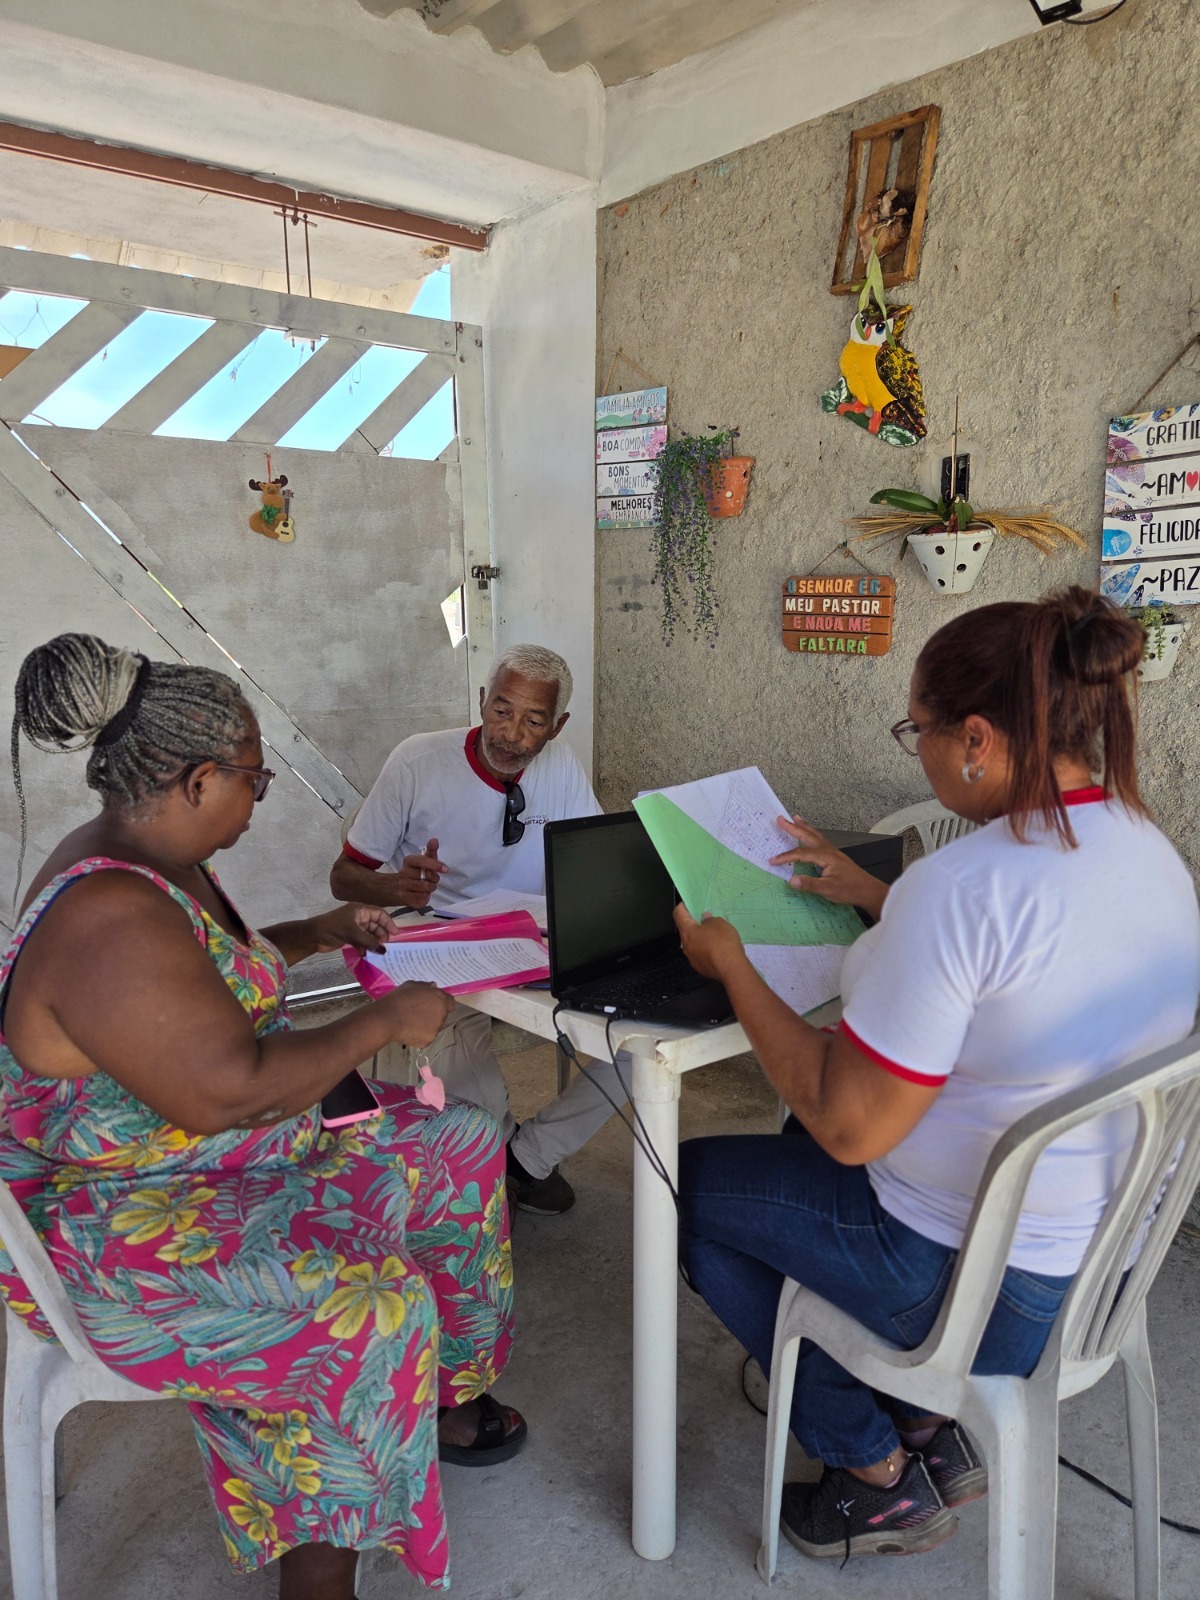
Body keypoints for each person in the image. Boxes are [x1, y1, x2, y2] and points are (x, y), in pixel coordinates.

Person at [673, 587, 1200, 1565]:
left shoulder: (961, 889)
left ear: (976, 739)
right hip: (1095, 1271)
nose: (911, 745)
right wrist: (882, 896)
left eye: (914, 727)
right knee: (784, 1152)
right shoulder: (1148, 851)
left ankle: (870, 1464)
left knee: (683, 1187)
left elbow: (847, 1125)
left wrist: (733, 964)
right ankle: (925, 1431)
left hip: (969, 1294)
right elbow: (1022, 976)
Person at [0, 634, 527, 1600]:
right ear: (198, 779)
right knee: (366, 1306)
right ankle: (322, 1576)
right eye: (253, 778)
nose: (258, 795)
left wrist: (318, 933)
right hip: (108, 1219)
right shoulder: (107, 914)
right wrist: (383, 1020)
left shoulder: (157, 863)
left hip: (198, 1159)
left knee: (453, 1143)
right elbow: (229, 1088)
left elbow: (200, 986)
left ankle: (436, 1404)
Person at [329, 643, 625, 1216]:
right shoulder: (419, 761)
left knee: (646, 1045)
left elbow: (594, 863)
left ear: (556, 726)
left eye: (534, 720)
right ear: (482, 700)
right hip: (443, 942)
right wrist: (398, 889)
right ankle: (505, 1149)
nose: (511, 734)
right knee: (473, 1121)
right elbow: (345, 878)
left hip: (531, 943)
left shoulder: (560, 765)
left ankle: (530, 1157)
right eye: (502, 710)